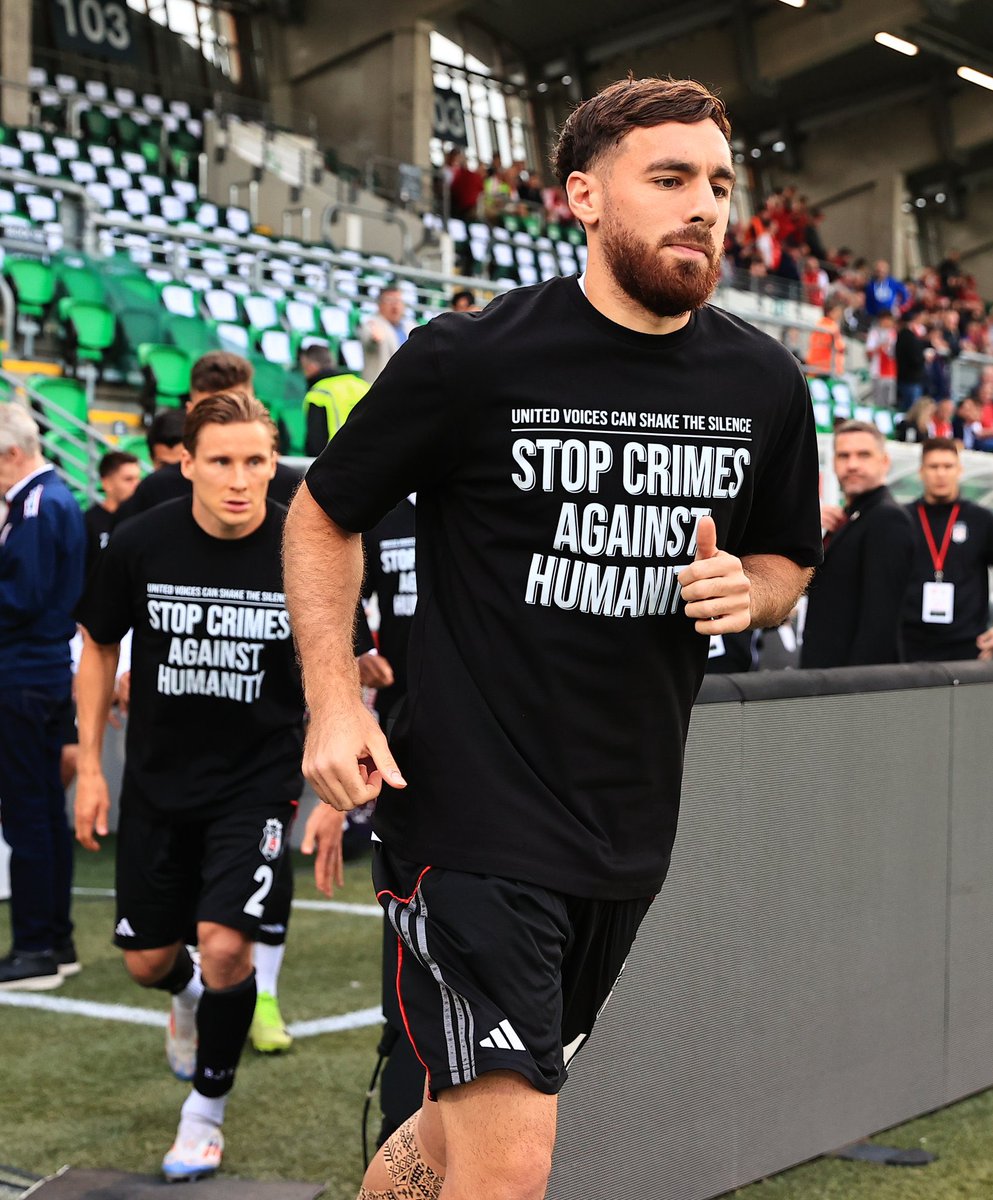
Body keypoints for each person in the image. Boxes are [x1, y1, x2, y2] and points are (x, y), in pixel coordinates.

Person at [284, 76, 822, 1200]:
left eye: (719, 184)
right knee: (513, 1168)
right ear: (583, 195)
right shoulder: (473, 358)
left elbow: (785, 562)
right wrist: (335, 698)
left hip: (627, 824)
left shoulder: (765, 379)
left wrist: (751, 592)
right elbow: (324, 511)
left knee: (448, 1138)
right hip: (471, 814)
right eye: (668, 179)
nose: (704, 208)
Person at [73, 393, 344, 1180]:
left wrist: (330, 789)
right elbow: (97, 646)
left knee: (226, 947)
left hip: (256, 788)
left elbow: (338, 669)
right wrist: (91, 768)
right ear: (184, 462)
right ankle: (188, 997)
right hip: (156, 787)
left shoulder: (304, 546)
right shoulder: (141, 542)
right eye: (220, 461)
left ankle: (205, 1112)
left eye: (255, 461)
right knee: (150, 963)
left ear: (274, 461)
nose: (239, 479)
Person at [0, 403, 86, 990]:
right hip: (43, 673)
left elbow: (22, 597)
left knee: (28, 812)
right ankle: (54, 939)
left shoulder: (34, 504)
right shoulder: (51, 496)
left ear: (11, 453)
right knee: (43, 812)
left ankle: (36, 947)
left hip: (23, 675)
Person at [118, 352, 302, 519]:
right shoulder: (156, 489)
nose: (227, 421)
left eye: (237, 405)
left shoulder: (292, 488)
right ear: (190, 412)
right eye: (209, 412)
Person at [800, 420, 914, 668]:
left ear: (884, 462)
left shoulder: (887, 518)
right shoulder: (851, 517)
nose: (852, 464)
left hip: (849, 682)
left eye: (863, 455)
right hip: (827, 672)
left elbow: (880, 621)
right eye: (843, 456)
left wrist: (855, 692)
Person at [900, 437, 993, 662]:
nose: (941, 473)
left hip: (968, 645)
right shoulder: (902, 518)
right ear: (921, 471)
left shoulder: (981, 519)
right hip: (909, 644)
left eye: (947, 466)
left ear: (959, 470)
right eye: (933, 466)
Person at [300, 342, 370, 457]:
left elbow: (315, 443)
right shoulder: (362, 385)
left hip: (335, 463)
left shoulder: (318, 393)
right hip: (369, 459)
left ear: (311, 367)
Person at [83, 450, 141, 573]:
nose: (137, 485)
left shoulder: (142, 519)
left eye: (138, 479)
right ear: (107, 483)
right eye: (128, 479)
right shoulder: (88, 522)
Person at [360, 287, 416, 385]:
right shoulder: (372, 324)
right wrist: (374, 340)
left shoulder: (411, 326)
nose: (395, 305)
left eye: (398, 301)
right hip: (379, 386)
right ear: (379, 305)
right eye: (389, 300)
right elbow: (370, 341)